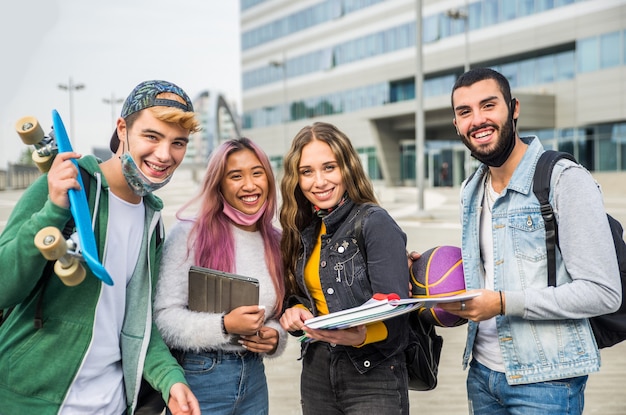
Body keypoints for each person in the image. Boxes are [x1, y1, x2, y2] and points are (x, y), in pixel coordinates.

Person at [0, 80, 202, 415]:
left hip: (110, 405)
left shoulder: (152, 219)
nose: (165, 154)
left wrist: (170, 379)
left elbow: (139, 323)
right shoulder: (66, 184)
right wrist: (52, 211)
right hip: (30, 401)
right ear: (122, 128)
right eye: (152, 136)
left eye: (177, 143)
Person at [438, 67, 621, 414]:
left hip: (547, 381)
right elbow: (490, 274)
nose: (478, 120)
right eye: (465, 112)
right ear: (457, 124)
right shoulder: (470, 190)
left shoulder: (564, 180)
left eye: (488, 105)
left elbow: (604, 292)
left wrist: (504, 303)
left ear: (514, 107)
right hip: (481, 374)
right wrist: (424, 273)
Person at [279, 122, 411, 415]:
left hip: (372, 373)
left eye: (329, 167)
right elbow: (301, 297)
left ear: (347, 168)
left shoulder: (374, 222)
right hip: (316, 370)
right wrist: (293, 312)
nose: (319, 181)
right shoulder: (303, 229)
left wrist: (362, 335)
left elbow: (399, 316)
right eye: (307, 171)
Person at [154, 137, 287, 415]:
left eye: (257, 173)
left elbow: (278, 316)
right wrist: (225, 325)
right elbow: (164, 318)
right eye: (235, 176)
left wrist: (274, 337)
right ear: (219, 184)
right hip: (201, 377)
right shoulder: (188, 235)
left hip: (254, 377)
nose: (250, 185)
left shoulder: (278, 241)